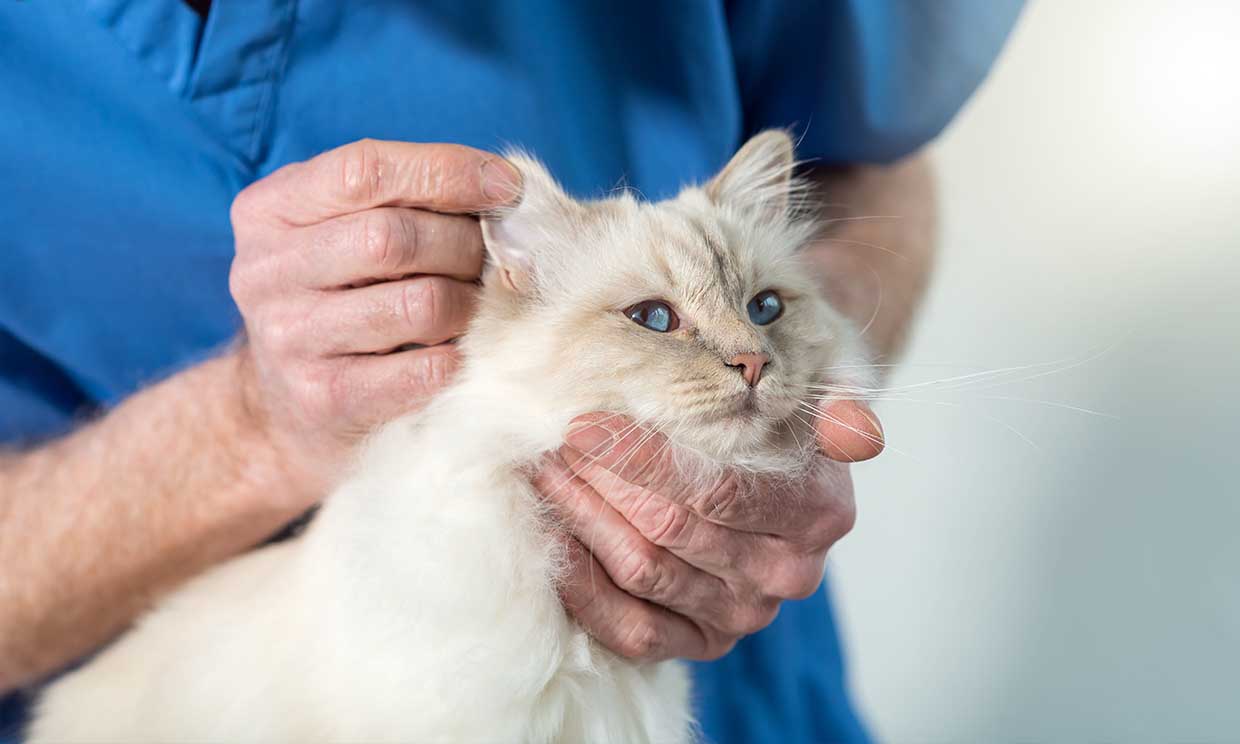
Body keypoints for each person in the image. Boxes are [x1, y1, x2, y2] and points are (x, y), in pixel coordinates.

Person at [0, 2, 1023, 741]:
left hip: (753, 684)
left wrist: (813, 392)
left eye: (755, 319)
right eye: (659, 319)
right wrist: (249, 429)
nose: (741, 355)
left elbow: (865, 145)